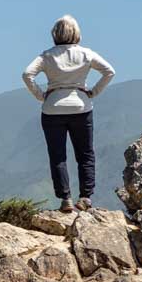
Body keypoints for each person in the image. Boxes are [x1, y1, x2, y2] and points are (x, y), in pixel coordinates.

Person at [22, 15, 115, 212]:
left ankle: (65, 199)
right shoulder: (86, 54)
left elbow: (27, 74)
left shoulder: (47, 56)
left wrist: (41, 95)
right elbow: (109, 71)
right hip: (81, 106)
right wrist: (93, 92)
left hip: (53, 108)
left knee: (58, 156)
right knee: (85, 154)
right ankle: (85, 197)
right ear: (76, 33)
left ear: (55, 33)